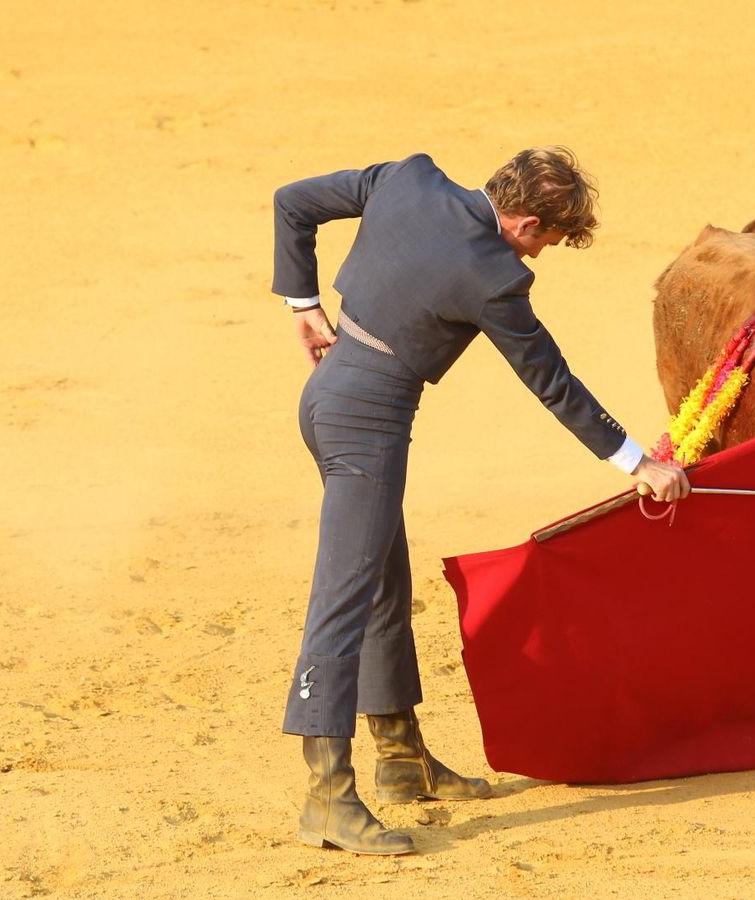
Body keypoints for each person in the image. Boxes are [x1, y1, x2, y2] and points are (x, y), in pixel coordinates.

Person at [271, 147, 690, 855]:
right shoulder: (494, 276)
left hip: (327, 395)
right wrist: (636, 463)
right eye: (546, 242)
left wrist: (304, 304)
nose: (540, 256)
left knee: (379, 581)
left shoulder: (408, 178)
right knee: (343, 598)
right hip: (367, 424)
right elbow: (551, 380)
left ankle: (401, 759)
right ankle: (327, 797)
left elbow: (293, 198)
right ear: (525, 221)